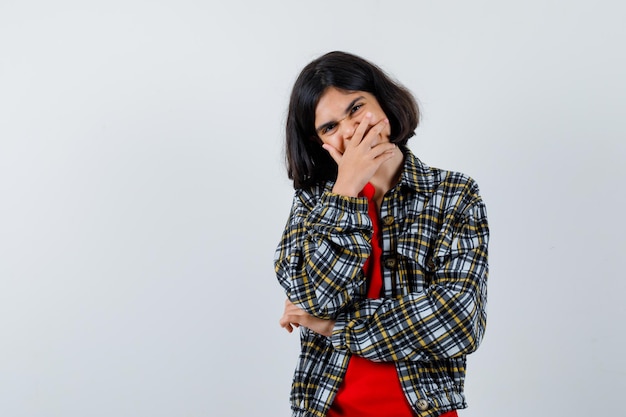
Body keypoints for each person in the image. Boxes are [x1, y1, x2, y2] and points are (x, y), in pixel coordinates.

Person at [275, 51, 489, 417]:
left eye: (356, 107)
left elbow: (459, 322)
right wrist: (346, 190)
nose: (350, 129)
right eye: (330, 127)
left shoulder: (454, 194)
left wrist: (334, 326)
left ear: (384, 102)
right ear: (319, 142)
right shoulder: (312, 203)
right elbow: (314, 300)